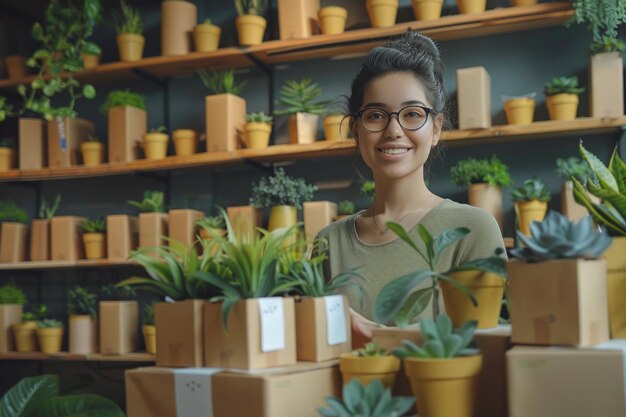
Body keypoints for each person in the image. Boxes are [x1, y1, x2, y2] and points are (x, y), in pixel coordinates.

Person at [316, 31, 505, 346]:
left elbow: (484, 347)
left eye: (413, 114)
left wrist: (374, 334)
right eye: (376, 115)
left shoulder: (472, 230)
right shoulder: (328, 243)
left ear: (436, 129)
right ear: (356, 130)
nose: (393, 130)